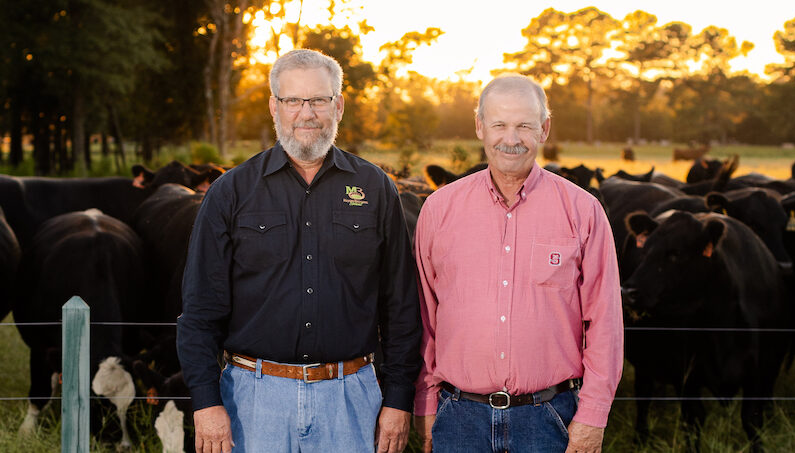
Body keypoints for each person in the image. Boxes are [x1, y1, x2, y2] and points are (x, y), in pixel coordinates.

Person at [177, 49, 421, 453]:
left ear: (338, 105)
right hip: (253, 400)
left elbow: (400, 306)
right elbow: (201, 308)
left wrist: (398, 398)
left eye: (319, 100)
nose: (306, 113)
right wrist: (205, 402)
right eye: (293, 100)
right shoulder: (231, 192)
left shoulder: (375, 188)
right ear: (274, 107)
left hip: (351, 397)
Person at [413, 73, 623, 453]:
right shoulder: (439, 210)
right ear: (480, 127)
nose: (511, 139)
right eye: (499, 125)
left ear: (544, 129)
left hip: (549, 417)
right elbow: (425, 318)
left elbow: (605, 322)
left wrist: (593, 416)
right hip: (459, 418)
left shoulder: (583, 211)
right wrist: (426, 405)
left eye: (524, 125)